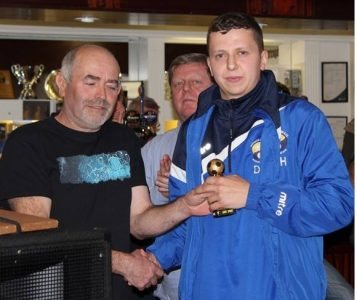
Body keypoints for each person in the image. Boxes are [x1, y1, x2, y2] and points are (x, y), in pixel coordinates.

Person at [146, 12, 354, 299]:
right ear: (209, 64)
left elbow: (338, 206)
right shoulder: (193, 130)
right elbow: (186, 225)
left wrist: (253, 196)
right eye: (220, 55)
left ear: (262, 58)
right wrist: (153, 259)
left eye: (242, 52)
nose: (231, 64)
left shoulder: (301, 120)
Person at [0, 44, 215, 299]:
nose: (102, 95)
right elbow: (41, 238)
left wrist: (185, 205)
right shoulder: (29, 143)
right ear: (61, 83)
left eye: (112, 86)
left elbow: (139, 221)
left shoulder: (122, 140)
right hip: (57, 290)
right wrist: (123, 263)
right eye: (91, 82)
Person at [141, 53, 213, 299]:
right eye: (178, 84)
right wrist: (167, 199)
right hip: (172, 284)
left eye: (196, 82)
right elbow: (139, 215)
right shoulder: (154, 148)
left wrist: (180, 190)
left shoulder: (235, 141)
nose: (186, 90)